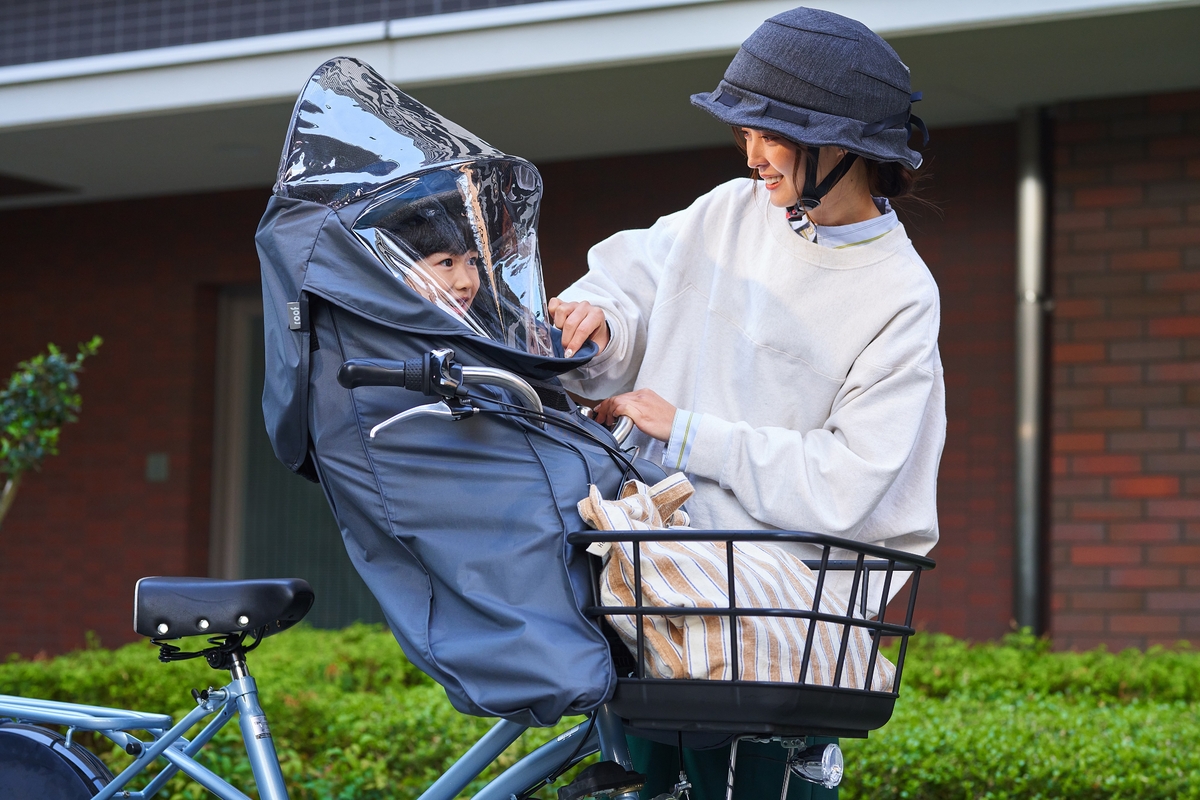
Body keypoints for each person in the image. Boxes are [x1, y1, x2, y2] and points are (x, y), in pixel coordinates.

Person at [547, 7, 945, 799]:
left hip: (771, 630)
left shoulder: (900, 294)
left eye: (772, 134)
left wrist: (685, 429)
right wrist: (595, 320)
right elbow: (628, 283)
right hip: (656, 587)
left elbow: (846, 480)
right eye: (745, 134)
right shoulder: (725, 212)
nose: (753, 155)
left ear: (843, 145)